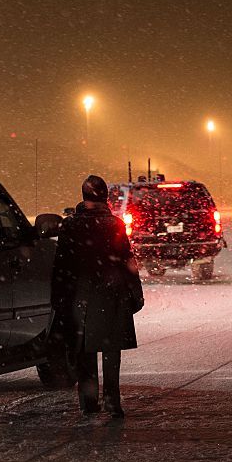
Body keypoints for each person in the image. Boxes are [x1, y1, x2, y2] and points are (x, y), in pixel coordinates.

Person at [50, 175, 144, 417]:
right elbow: (127, 261)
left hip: (80, 294)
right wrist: (136, 291)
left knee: (84, 350)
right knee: (111, 350)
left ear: (83, 197)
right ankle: (112, 399)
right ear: (105, 197)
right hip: (112, 292)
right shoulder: (115, 225)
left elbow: (61, 266)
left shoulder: (70, 225)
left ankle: (88, 401)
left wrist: (58, 297)